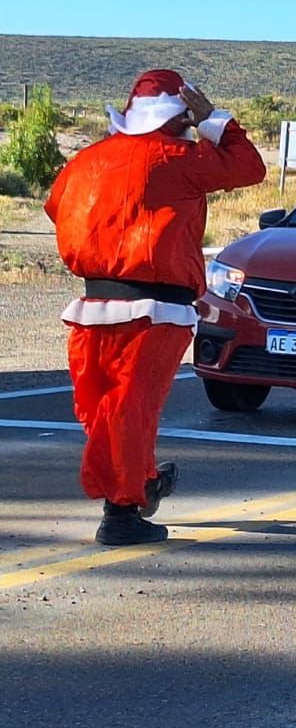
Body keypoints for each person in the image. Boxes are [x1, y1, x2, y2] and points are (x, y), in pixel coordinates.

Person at [44, 69, 266, 545]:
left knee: (107, 408)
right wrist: (216, 122)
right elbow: (249, 168)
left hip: (94, 302)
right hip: (156, 310)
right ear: (180, 115)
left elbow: (55, 206)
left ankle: (138, 482)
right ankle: (122, 512)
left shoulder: (87, 160)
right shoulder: (181, 158)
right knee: (132, 409)